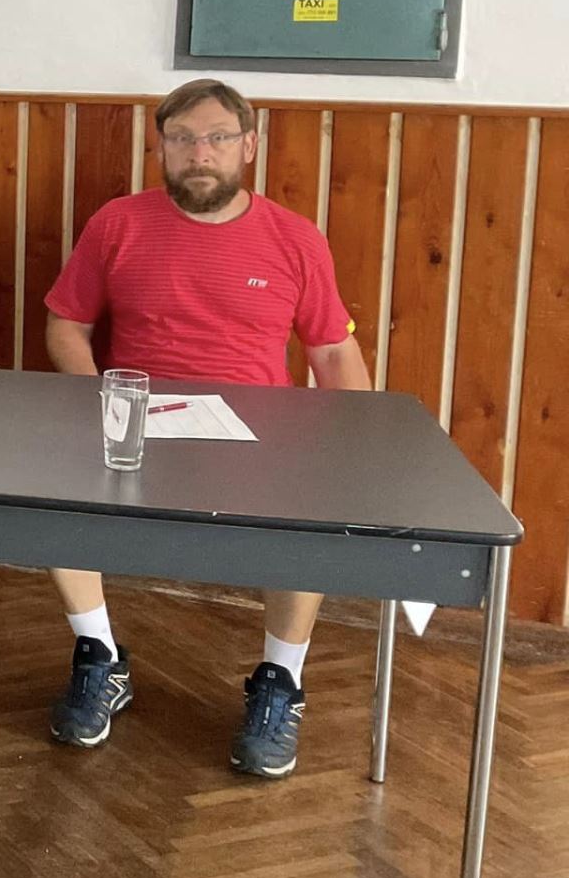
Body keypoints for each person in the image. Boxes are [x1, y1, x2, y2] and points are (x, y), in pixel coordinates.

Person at [42, 77, 371, 777]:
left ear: (247, 147)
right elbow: (66, 325)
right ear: (161, 147)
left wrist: (360, 440)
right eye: (183, 138)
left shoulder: (296, 239)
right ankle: (99, 654)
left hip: (262, 436)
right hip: (136, 427)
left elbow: (333, 351)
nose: (200, 153)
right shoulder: (117, 224)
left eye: (218, 138)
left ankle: (280, 681)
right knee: (51, 489)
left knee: (310, 512)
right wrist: (97, 399)